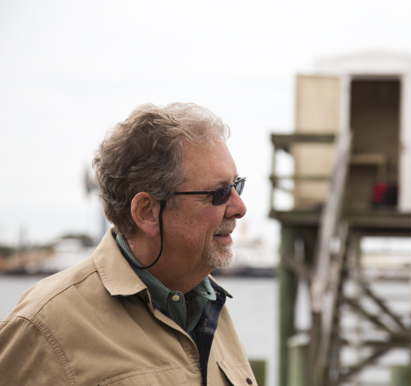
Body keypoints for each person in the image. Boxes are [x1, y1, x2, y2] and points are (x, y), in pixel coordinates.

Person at [0, 103, 257, 386]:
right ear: (147, 212)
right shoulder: (44, 327)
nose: (240, 207)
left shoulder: (210, 310)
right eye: (220, 192)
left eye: (237, 185)